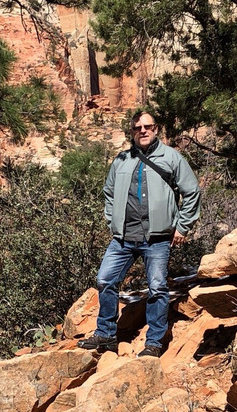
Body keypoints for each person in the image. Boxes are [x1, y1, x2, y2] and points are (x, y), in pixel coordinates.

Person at [78, 110, 201, 357]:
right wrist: (113, 221)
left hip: (157, 238)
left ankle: (154, 343)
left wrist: (182, 226)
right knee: (105, 280)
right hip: (124, 237)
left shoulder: (171, 158)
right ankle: (106, 334)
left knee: (157, 287)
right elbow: (109, 193)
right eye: (137, 128)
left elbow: (192, 192)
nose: (142, 131)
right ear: (132, 131)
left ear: (156, 129)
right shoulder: (122, 160)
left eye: (147, 126)